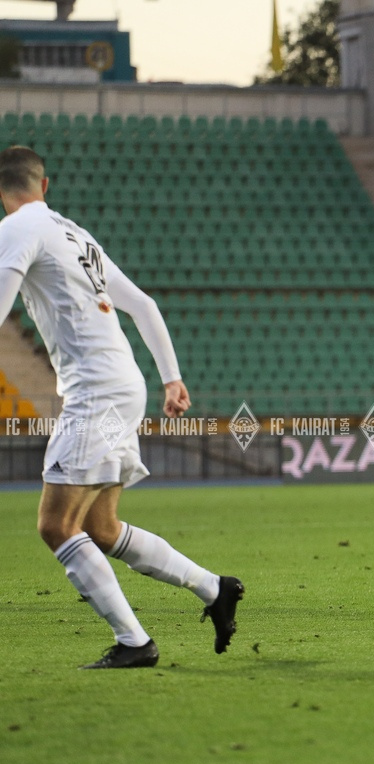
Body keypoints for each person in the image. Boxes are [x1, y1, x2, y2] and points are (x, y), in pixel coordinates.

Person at [0, 145, 243, 667]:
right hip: (124, 389)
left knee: (55, 525)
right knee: (101, 528)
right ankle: (215, 588)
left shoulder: (17, 229)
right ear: (45, 185)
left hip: (96, 394)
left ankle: (135, 643)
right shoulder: (76, 235)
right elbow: (144, 305)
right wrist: (171, 379)